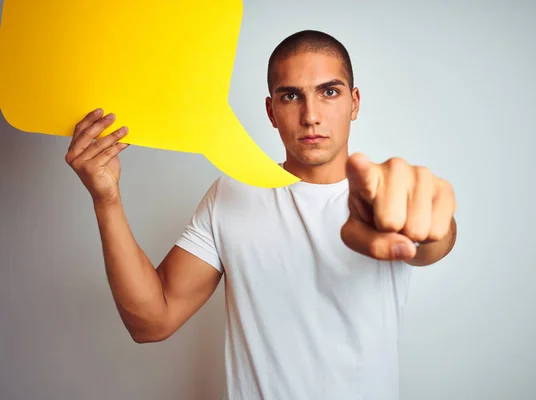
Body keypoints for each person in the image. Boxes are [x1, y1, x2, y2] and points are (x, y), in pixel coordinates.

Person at [65, 30, 457, 400]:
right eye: (291, 97)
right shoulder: (233, 193)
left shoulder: (383, 194)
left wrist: (426, 225)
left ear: (354, 102)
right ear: (271, 110)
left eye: (329, 92)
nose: (310, 115)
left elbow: (431, 237)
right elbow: (152, 320)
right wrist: (107, 198)